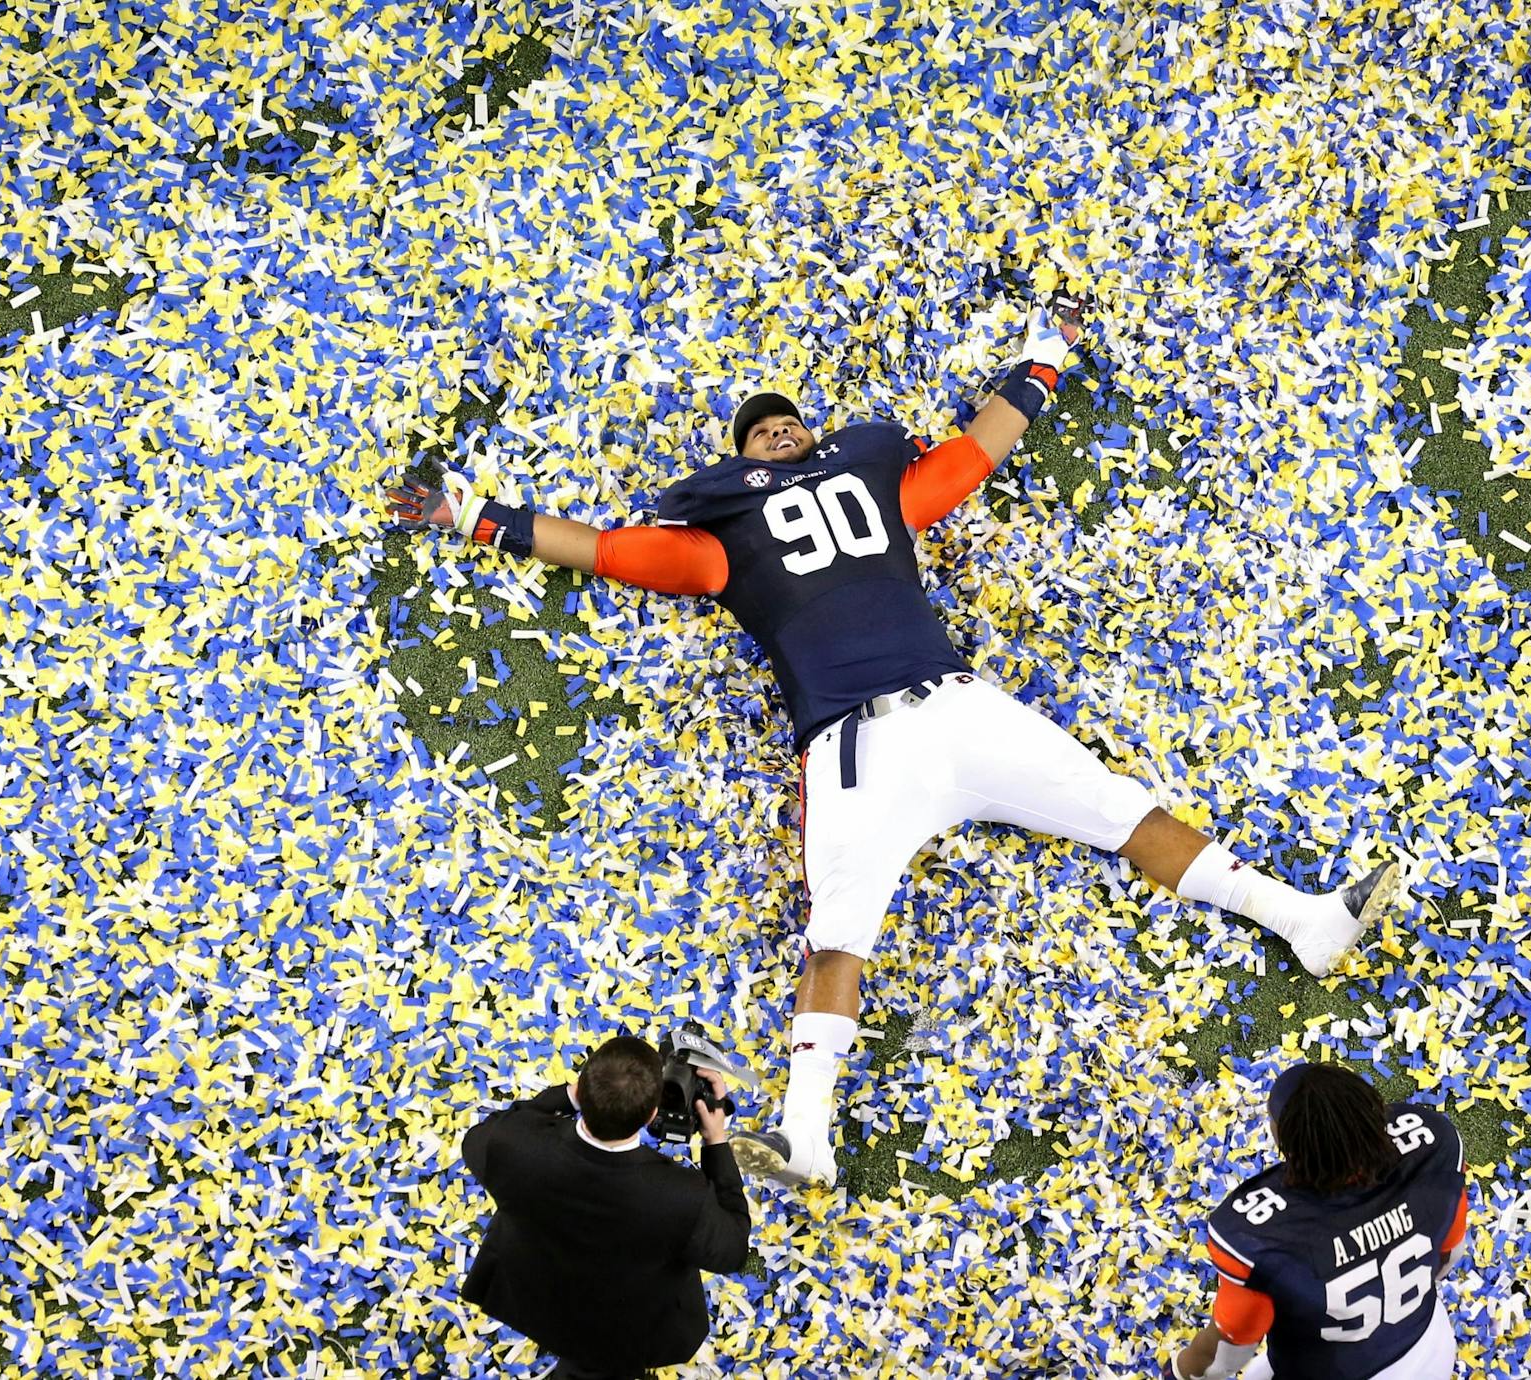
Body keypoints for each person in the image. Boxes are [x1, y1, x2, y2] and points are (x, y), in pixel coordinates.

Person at [390, 299, 1402, 1187]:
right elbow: (606, 548)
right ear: (740, 461)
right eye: (760, 431)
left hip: (957, 704)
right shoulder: (717, 542)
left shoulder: (875, 488)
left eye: (789, 422)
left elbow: (971, 456)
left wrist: (1043, 356)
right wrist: (472, 516)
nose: (777, 431)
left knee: (1119, 808)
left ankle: (1302, 920)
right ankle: (806, 1130)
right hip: (853, 745)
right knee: (840, 929)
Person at [459, 1035, 750, 1379]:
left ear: (581, 1089)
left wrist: (567, 1095)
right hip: (631, 1329)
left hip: (533, 1297)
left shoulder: (512, 1145)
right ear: (652, 1115)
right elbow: (733, 1251)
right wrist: (716, 1140)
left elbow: (485, 1132)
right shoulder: (682, 1197)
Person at [1171, 1063, 1469, 1380]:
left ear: (1284, 1139)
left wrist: (1175, 1373)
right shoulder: (1435, 1146)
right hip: (1428, 1351)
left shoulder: (1259, 1236)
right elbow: (1450, 1253)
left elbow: (1226, 1353)